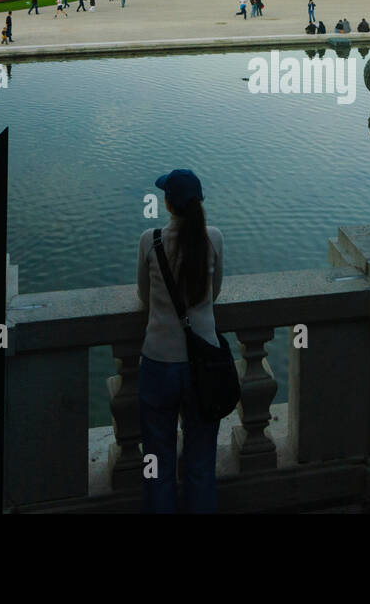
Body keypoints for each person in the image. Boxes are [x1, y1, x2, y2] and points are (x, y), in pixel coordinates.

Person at [136, 168, 224, 514]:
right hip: (204, 366)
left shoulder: (150, 240)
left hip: (158, 363)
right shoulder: (213, 238)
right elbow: (212, 295)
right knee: (201, 465)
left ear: (168, 204)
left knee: (156, 465)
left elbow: (144, 297)